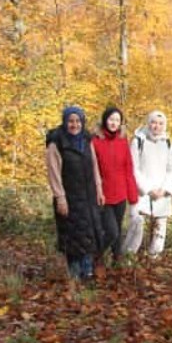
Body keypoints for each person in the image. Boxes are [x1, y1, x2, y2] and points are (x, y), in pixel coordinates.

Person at [45, 106, 105, 281]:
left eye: (78, 121)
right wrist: (60, 198)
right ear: (65, 122)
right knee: (71, 236)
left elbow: (94, 165)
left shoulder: (86, 139)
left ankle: (87, 270)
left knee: (89, 233)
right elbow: (53, 173)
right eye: (71, 121)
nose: (74, 125)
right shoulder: (56, 143)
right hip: (69, 197)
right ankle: (74, 274)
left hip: (88, 196)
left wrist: (99, 189)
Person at [124, 110, 172, 258]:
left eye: (160, 123)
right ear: (148, 123)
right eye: (154, 122)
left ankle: (154, 258)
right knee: (137, 224)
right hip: (142, 192)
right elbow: (133, 167)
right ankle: (128, 257)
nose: (157, 126)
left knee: (160, 227)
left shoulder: (167, 142)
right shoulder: (138, 140)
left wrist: (165, 189)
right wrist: (147, 189)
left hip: (161, 192)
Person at [92, 106, 140, 266]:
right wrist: (96, 191)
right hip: (103, 194)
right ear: (105, 120)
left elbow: (128, 167)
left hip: (121, 193)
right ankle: (95, 255)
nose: (114, 123)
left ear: (121, 123)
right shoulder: (95, 141)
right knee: (111, 231)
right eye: (111, 119)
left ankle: (116, 261)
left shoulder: (122, 140)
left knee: (117, 230)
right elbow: (92, 169)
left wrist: (132, 195)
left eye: (117, 120)